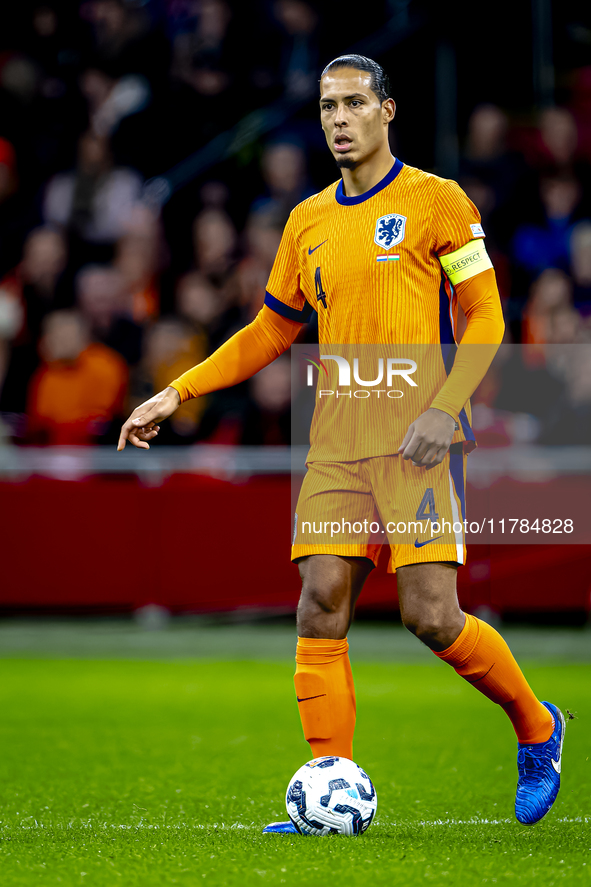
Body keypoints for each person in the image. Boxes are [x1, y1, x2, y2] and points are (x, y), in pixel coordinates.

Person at [117, 54, 565, 831]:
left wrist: (444, 407)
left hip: (419, 439)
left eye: (355, 102)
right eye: (327, 105)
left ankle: (537, 725)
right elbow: (269, 331)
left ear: (386, 111)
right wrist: (177, 389)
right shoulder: (307, 221)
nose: (338, 118)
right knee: (319, 602)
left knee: (430, 616)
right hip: (334, 440)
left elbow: (487, 315)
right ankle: (330, 784)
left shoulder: (436, 201)